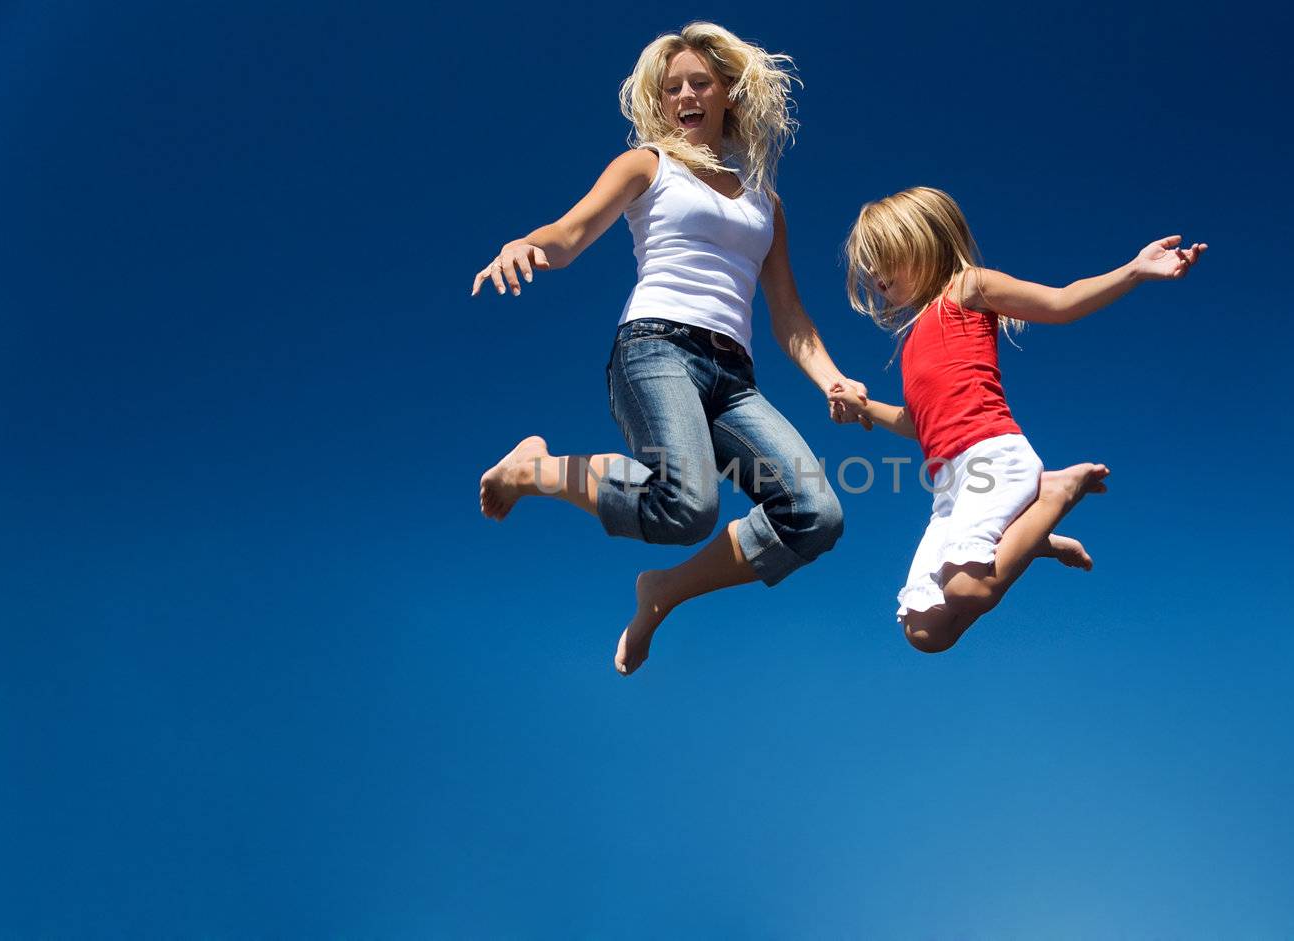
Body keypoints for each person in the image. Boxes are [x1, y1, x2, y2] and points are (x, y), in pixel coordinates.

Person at [471, 23, 868, 675]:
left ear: (729, 96)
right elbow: (571, 234)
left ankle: (663, 590)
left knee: (815, 513)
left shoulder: (766, 202)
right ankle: (533, 469)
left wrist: (831, 378)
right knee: (686, 506)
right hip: (655, 349)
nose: (685, 94)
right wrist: (526, 244)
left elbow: (789, 315)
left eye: (699, 83)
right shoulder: (647, 165)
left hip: (733, 379)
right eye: (672, 86)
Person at [830, 186, 1206, 653]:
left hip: (994, 456)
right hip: (948, 485)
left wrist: (1133, 270)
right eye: (868, 265)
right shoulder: (910, 346)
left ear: (923, 241)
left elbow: (1062, 302)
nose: (874, 274)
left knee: (967, 589)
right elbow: (916, 423)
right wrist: (863, 405)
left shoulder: (968, 289)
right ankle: (1035, 540)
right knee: (926, 631)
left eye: (882, 257)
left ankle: (1056, 490)